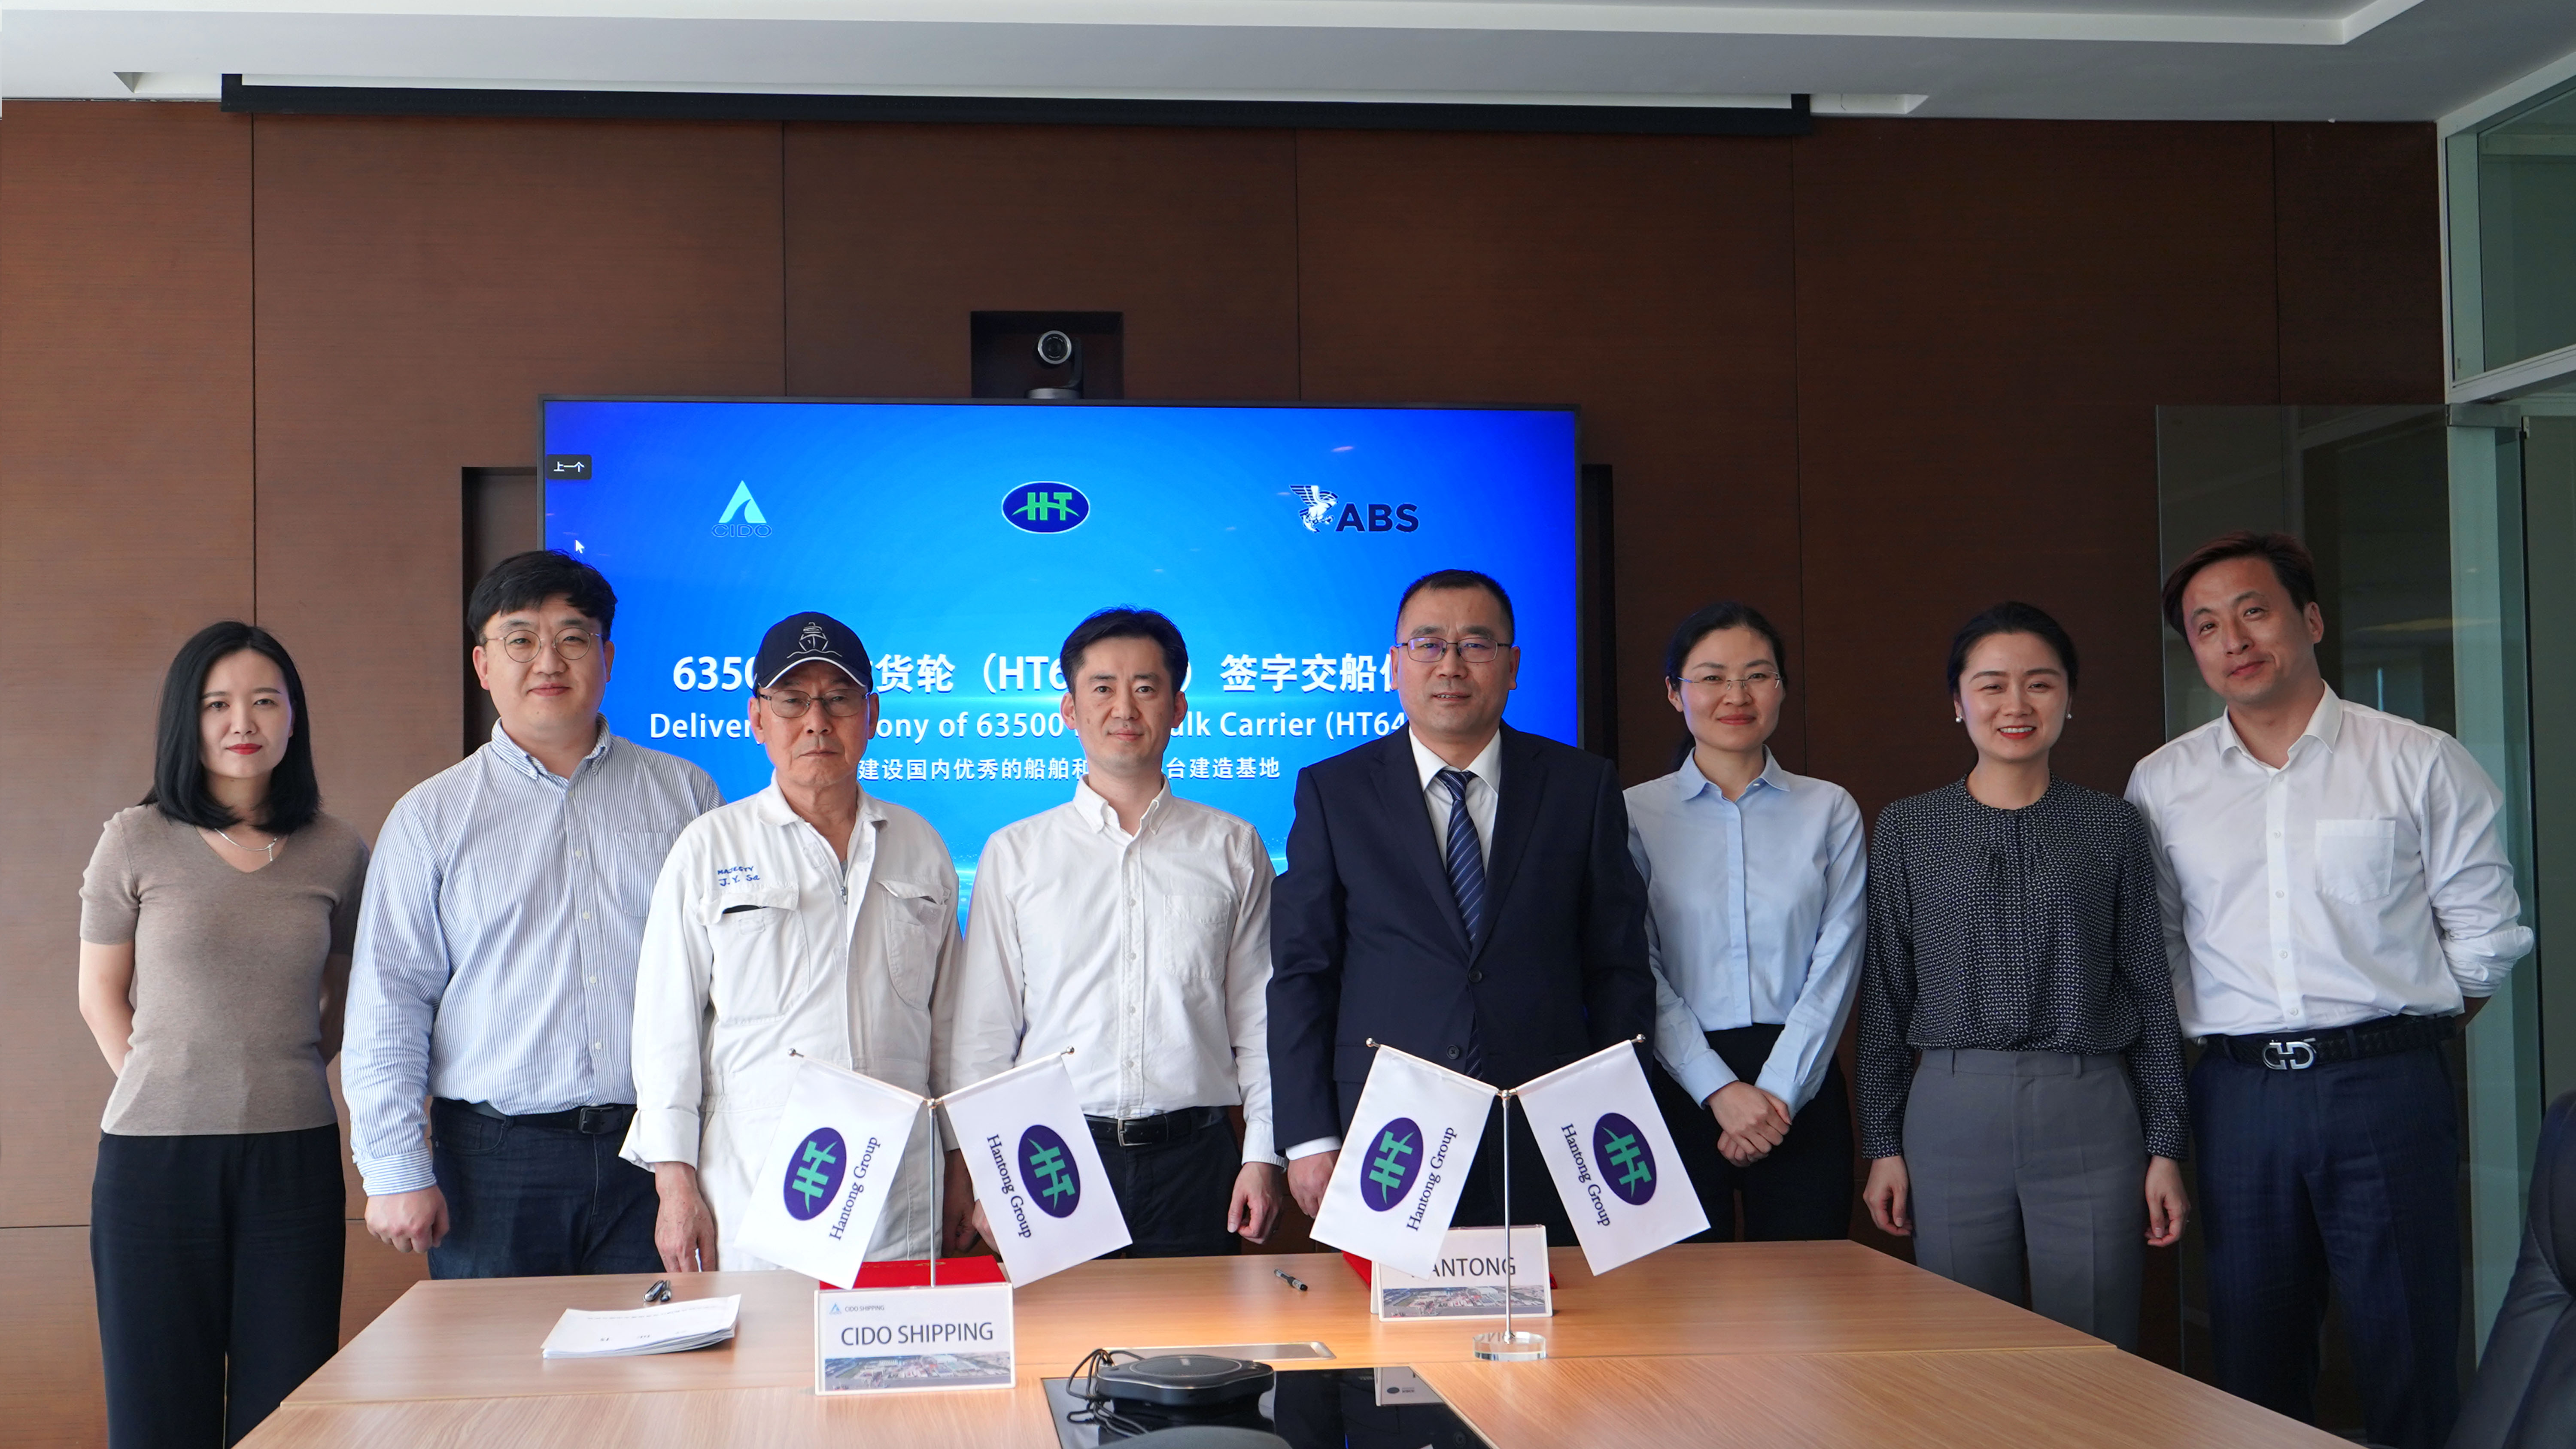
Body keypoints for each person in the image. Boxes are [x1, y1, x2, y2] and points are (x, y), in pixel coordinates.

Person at [2126, 532, 2529, 1448]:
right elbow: (2162, 942)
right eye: (2206, 626)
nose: (2234, 639)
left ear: (2310, 620)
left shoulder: (2419, 758)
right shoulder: (2164, 781)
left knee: (2409, 1346)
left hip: (2385, 1085)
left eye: (2254, 612)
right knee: (2252, 1359)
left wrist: (2395, 1034)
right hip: (2239, 1094)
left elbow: (2484, 936)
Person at [343, 551, 720, 1277]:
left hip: (657, 1157)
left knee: (664, 1351)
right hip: (494, 1163)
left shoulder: (686, 795)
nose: (549, 660)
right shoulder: (431, 817)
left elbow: (723, 989)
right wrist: (394, 1167)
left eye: (573, 638)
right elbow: (390, 998)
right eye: (521, 639)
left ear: (608, 658)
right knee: (498, 1355)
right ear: (483, 665)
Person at [1269, 568, 1655, 1240]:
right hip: (1387, 1139)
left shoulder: (1580, 787)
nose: (1450, 665)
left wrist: (1615, 1113)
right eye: (1427, 644)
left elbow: (1618, 968)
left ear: (1513, 667)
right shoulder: (1334, 793)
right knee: (1390, 1306)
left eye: (1476, 645)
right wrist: (1308, 1138)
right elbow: (1304, 974)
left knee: (1555, 1306)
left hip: (1549, 1131)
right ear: (1394, 666)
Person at [1858, 601, 2189, 1352]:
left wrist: (2167, 1146)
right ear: (1957, 701)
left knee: (2095, 1346)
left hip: (2090, 1110)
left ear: (2069, 698)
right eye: (1991, 685)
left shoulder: (2112, 825)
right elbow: (1886, 997)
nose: (2016, 705)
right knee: (1966, 1350)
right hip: (1951, 1112)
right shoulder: (1908, 827)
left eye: (2040, 683)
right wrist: (1882, 1143)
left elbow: (2149, 987)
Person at [78, 622, 369, 1446]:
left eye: (265, 701)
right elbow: (100, 994)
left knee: (289, 1418)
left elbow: (346, 996)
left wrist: (289, 1065)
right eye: (217, 704)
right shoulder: (134, 838)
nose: (243, 721)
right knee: (157, 1418)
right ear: (188, 719)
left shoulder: (337, 850)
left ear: (292, 718)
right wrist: (165, 1081)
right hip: (153, 1165)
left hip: (293, 1159)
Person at [942, 608, 1285, 1258]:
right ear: (1069, 710)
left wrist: (1263, 1155)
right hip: (1050, 1162)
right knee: (1062, 1332)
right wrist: (987, 1174)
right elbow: (984, 1037)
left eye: (1146, 687)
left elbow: (1262, 1023)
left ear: (1178, 708)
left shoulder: (1233, 848)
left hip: (1198, 1164)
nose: (1124, 707)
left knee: (1197, 1329)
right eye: (1102, 688)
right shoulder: (1016, 854)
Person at [626, 611, 961, 1271]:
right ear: (758, 718)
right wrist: (674, 1185)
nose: (817, 721)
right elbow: (665, 1031)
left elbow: (950, 1027)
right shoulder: (710, 847)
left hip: (900, 1196)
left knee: (902, 1337)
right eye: (792, 701)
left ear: (872, 715)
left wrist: (963, 1160)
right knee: (764, 1341)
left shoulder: (919, 844)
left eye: (838, 699)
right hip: (757, 1193)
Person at [1626, 601, 1865, 1243]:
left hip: (1801, 1083)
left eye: (1757, 676)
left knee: (1804, 1294)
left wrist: (1777, 1095)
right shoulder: (1632, 813)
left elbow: (1837, 962)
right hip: (1676, 1081)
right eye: (1712, 678)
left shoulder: (1829, 809)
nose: (1736, 695)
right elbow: (1634, 964)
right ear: (1675, 692)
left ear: (1781, 688)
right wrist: (1717, 1089)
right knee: (1680, 1298)